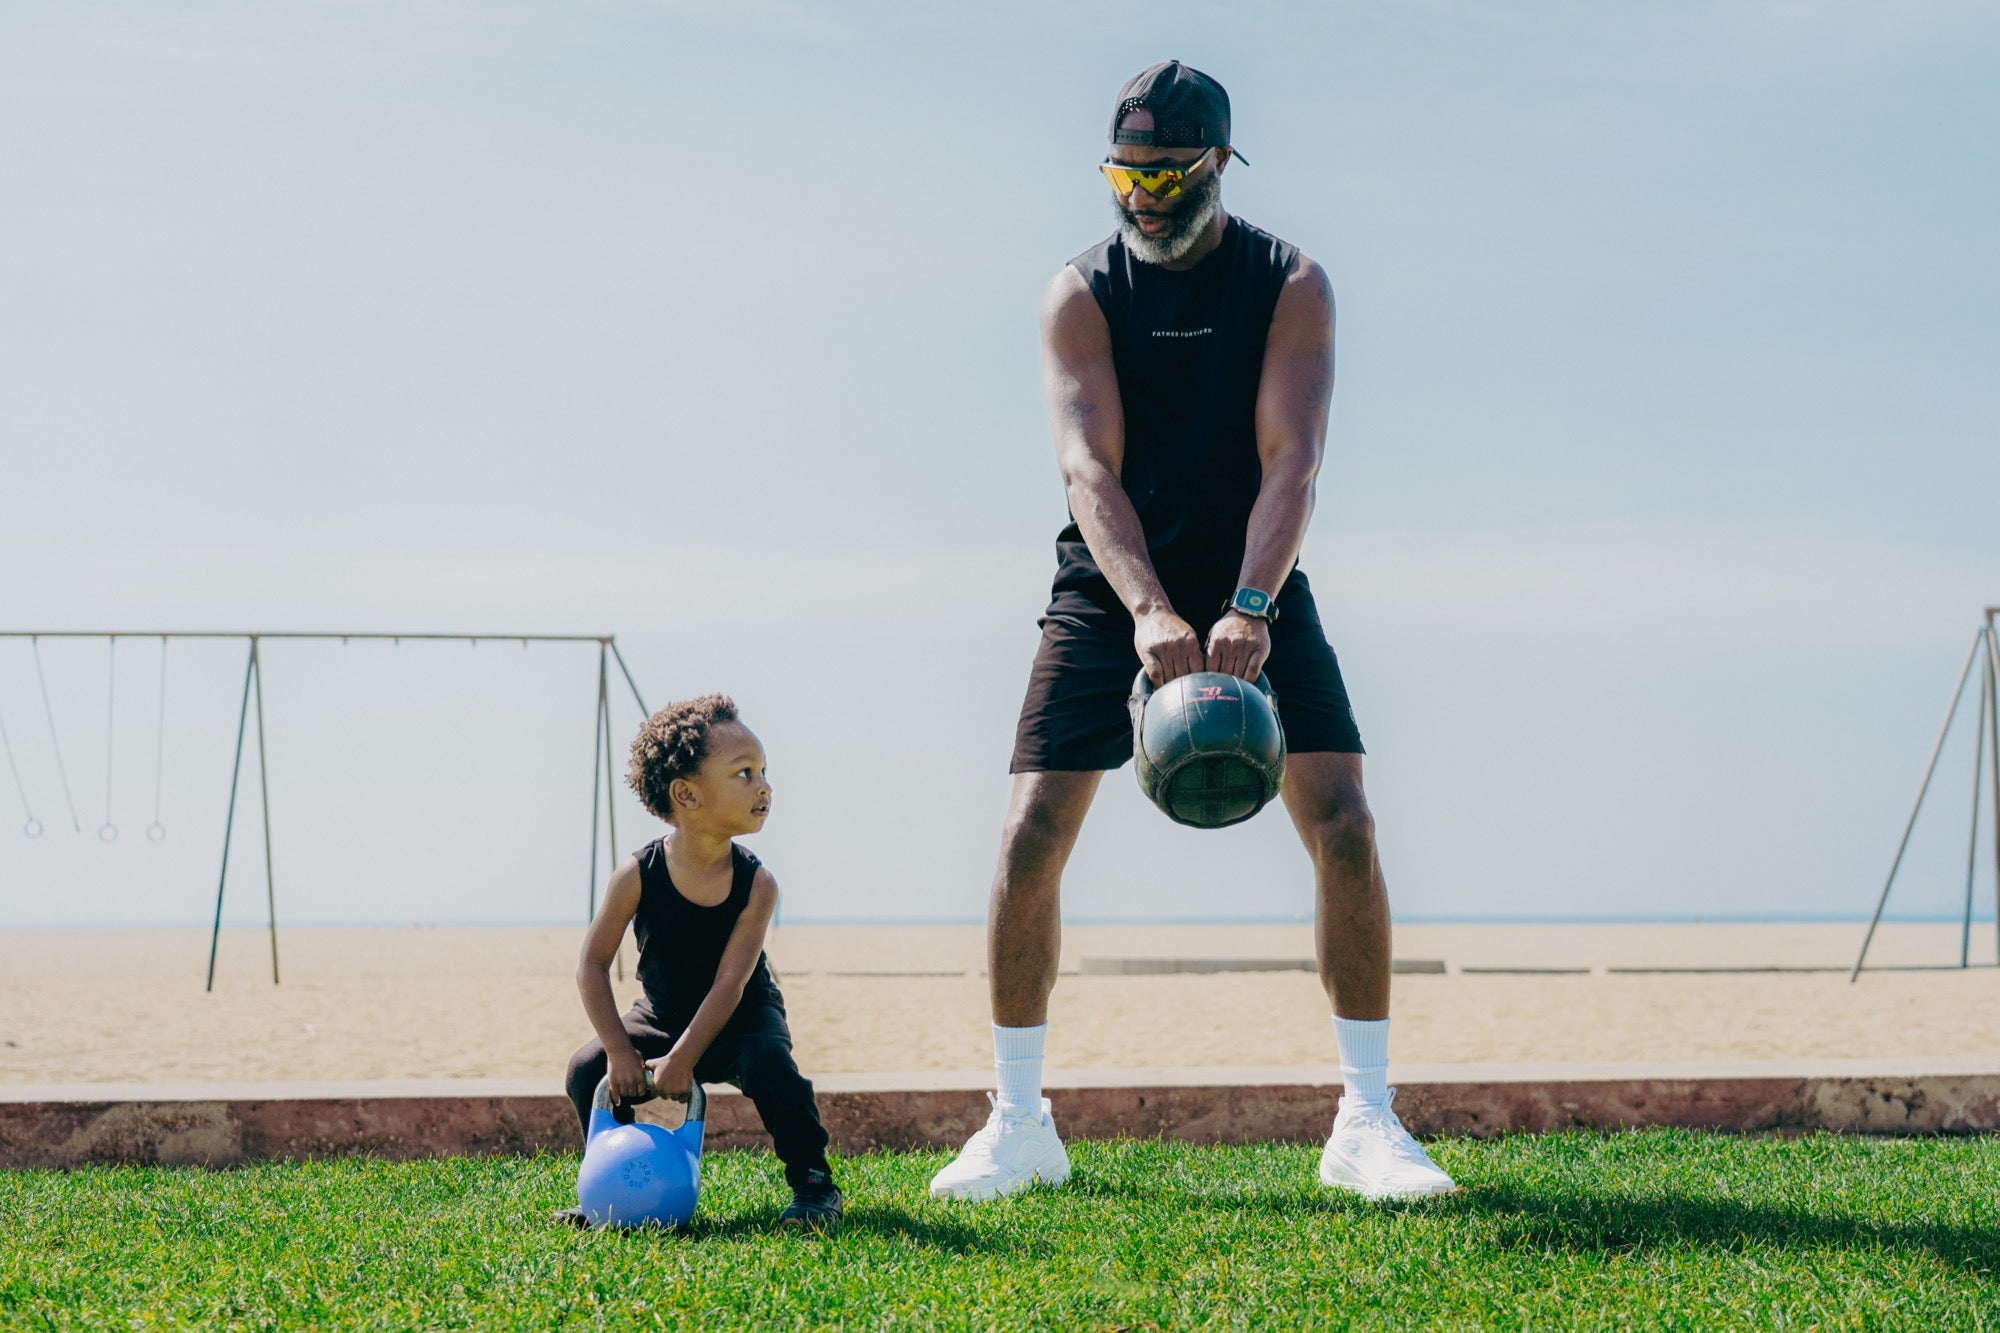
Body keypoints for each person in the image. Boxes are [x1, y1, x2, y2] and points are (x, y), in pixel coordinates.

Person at [928, 60, 1455, 1203]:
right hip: (1111, 576)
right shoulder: (1078, 292)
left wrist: (1250, 603)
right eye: (1126, 177)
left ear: (1218, 163)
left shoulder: (1288, 282)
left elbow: (1292, 460)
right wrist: (1148, 609)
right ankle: (1017, 1123)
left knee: (1345, 820)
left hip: (1256, 571)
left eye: (1167, 176)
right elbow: (1086, 468)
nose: (1145, 198)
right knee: (1028, 831)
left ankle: (1365, 1120)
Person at [557, 693, 842, 1228]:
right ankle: (609, 1179)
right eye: (743, 773)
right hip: (661, 1015)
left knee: (772, 1067)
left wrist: (684, 1059)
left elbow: (731, 983)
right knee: (586, 1067)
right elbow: (591, 965)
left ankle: (814, 1184)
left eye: (763, 771)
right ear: (686, 794)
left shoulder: (757, 884)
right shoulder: (637, 875)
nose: (764, 786)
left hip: (742, 1018)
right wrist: (619, 1051)